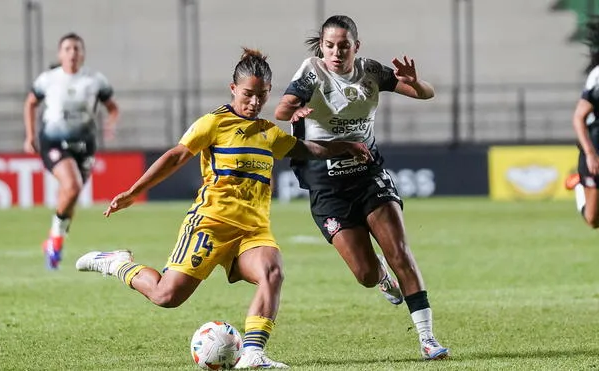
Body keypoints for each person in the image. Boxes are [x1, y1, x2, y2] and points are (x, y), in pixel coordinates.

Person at [75, 48, 373, 369]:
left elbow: (307, 149)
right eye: (248, 94)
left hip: (252, 231)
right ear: (233, 89)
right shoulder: (214, 123)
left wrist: (345, 146)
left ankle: (253, 353)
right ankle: (118, 264)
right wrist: (135, 191)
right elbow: (176, 155)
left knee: (272, 271)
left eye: (261, 96)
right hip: (210, 224)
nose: (255, 102)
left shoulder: (268, 133)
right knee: (166, 296)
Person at [274, 15, 449, 360]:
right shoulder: (312, 71)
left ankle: (428, 338)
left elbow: (425, 94)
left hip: (368, 173)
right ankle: (381, 275)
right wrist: (296, 112)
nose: (336, 52)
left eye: (343, 45)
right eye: (329, 45)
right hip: (326, 184)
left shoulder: (370, 71)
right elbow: (282, 109)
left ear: (356, 45)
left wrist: (416, 82)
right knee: (365, 274)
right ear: (321, 46)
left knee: (400, 251)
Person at [23, 32, 119, 270]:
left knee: (70, 195)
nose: (72, 53)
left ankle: (53, 241)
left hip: (85, 145)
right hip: (53, 142)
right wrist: (30, 135)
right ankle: (56, 240)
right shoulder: (48, 79)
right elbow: (31, 103)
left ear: (82, 54)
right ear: (60, 54)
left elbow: (112, 107)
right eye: (67, 49)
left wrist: (110, 124)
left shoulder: (95, 80)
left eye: (76, 48)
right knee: (72, 186)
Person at [566, 17, 599, 229]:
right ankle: (579, 181)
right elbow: (579, 116)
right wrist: (590, 153)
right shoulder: (598, 76)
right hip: (597, 147)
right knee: (593, 220)